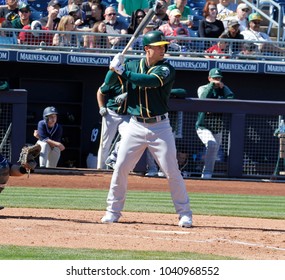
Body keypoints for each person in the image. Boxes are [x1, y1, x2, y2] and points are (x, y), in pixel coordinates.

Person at [101, 30, 193, 227]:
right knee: (120, 168)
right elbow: (107, 85)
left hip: (160, 127)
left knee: (172, 171)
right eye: (159, 46)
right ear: (147, 49)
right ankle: (112, 211)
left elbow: (150, 82)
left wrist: (122, 71)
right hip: (135, 125)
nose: (163, 49)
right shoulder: (133, 65)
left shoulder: (167, 68)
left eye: (164, 46)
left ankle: (185, 214)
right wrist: (113, 67)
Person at [196, 68, 234, 179]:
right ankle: (206, 173)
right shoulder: (202, 88)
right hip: (203, 125)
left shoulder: (223, 89)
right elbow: (203, 98)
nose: (217, 81)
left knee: (214, 151)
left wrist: (225, 89)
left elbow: (232, 100)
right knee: (211, 144)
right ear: (209, 78)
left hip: (217, 127)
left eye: (219, 78)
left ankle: (207, 174)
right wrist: (212, 85)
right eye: (214, 78)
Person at [96, 76, 130, 169]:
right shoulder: (113, 79)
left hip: (127, 114)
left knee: (129, 137)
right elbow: (100, 92)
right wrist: (101, 107)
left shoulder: (133, 78)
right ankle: (100, 168)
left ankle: (113, 157)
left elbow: (141, 91)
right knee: (105, 143)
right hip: (111, 113)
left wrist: (127, 94)